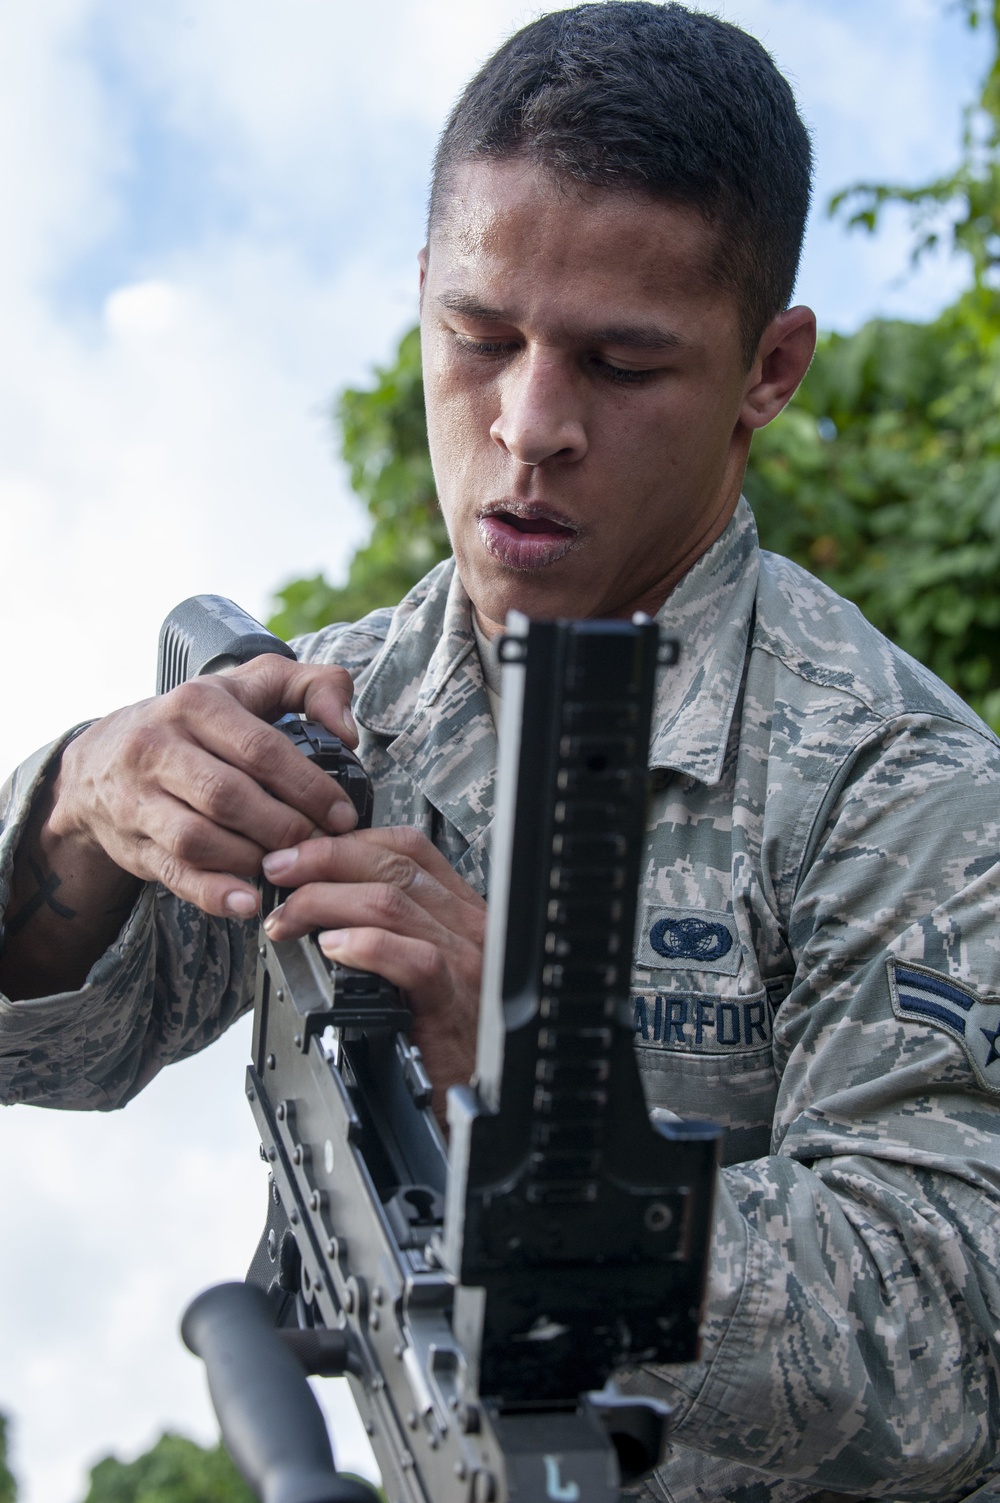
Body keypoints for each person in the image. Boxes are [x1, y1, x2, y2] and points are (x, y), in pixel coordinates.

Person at [2, 4, 999, 1500]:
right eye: (481, 337)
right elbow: (59, 1041)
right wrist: (77, 807)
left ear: (770, 369)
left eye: (624, 364)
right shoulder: (333, 711)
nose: (530, 426)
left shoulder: (906, 791)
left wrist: (554, 1114)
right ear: (420, 292)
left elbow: (948, 1356)